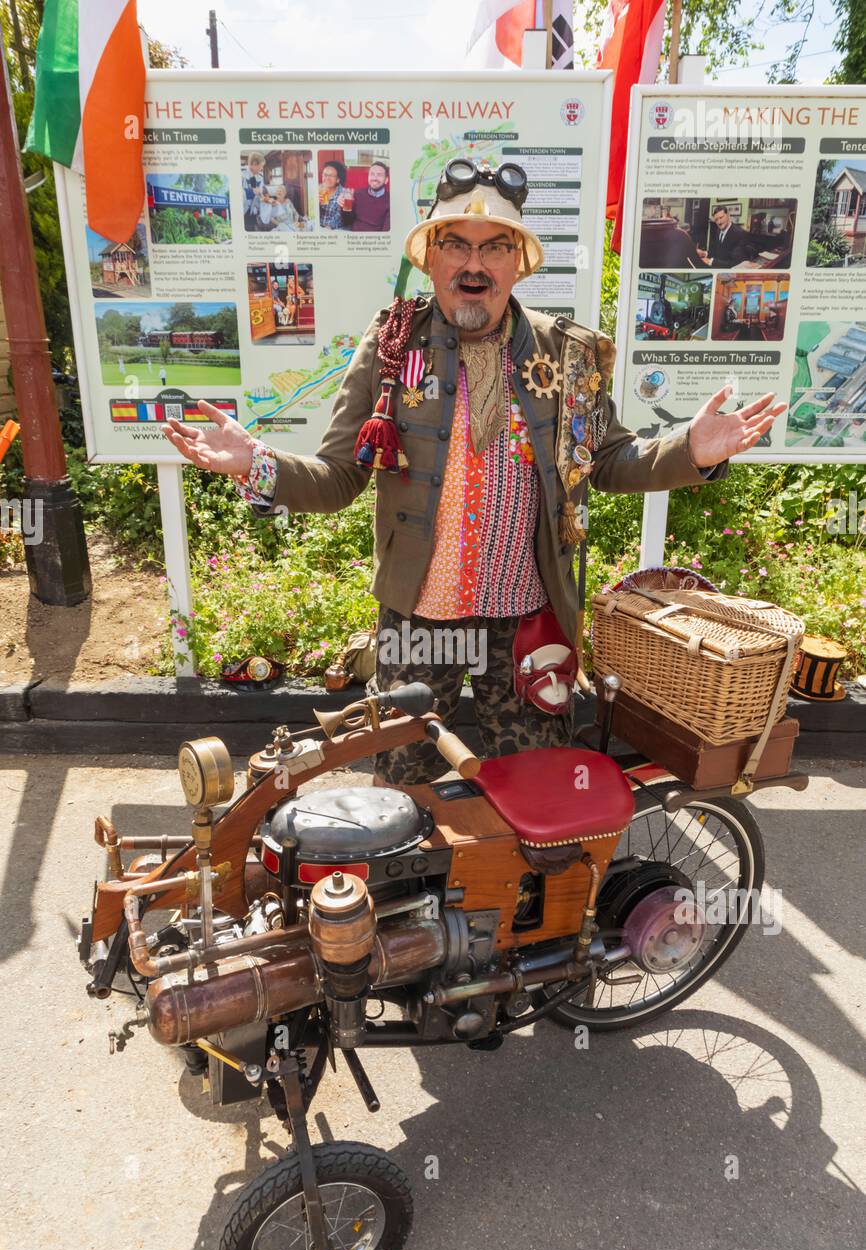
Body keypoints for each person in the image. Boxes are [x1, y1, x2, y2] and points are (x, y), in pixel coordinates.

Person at [161, 158, 786, 786]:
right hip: (419, 618)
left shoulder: (567, 354)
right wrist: (258, 463)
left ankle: (523, 887)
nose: (474, 265)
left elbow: (610, 461)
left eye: (494, 249)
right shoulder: (393, 344)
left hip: (529, 617)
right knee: (402, 785)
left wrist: (691, 450)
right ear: (431, 258)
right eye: (455, 245)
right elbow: (337, 476)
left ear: (518, 264)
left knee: (538, 787)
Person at [347, 160, 391, 233]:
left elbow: (386, 232)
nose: (374, 178)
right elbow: (347, 222)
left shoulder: (390, 200)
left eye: (379, 175)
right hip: (353, 237)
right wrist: (344, 208)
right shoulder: (358, 194)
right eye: (372, 174)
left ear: (386, 180)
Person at [319, 160, 348, 230]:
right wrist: (317, 205)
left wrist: (328, 228)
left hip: (336, 229)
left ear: (338, 179)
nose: (327, 178)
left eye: (331, 176)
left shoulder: (344, 193)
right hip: (320, 227)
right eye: (325, 175)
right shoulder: (319, 189)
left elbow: (340, 218)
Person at [242, 153, 266, 231]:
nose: (262, 168)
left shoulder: (260, 178)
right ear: (255, 164)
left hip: (253, 213)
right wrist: (252, 191)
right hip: (242, 212)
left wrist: (263, 199)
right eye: (261, 166)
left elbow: (260, 195)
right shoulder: (241, 174)